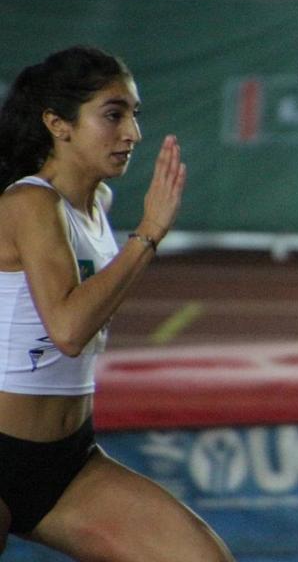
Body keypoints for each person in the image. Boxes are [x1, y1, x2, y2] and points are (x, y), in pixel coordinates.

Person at [0, 46, 234, 560]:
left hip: (67, 462)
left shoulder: (97, 204)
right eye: (113, 115)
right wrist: (148, 234)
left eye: (134, 114)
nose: (132, 133)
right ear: (57, 124)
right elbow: (68, 330)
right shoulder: (29, 203)